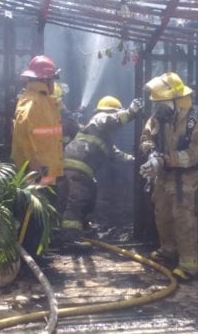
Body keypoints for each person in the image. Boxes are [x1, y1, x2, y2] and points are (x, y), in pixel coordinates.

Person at [139, 72, 198, 281]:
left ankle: (188, 264)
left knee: (183, 217)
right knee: (162, 213)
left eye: (161, 103)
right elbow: (145, 137)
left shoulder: (197, 119)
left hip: (186, 177)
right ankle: (167, 250)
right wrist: (151, 153)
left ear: (176, 100)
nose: (157, 108)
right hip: (164, 177)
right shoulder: (160, 117)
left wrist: (167, 160)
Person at [53, 95, 144, 246]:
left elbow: (114, 154)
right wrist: (131, 112)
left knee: (85, 197)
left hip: (80, 170)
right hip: (77, 168)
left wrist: (133, 160)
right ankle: (70, 237)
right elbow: (110, 120)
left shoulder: (102, 136)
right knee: (77, 201)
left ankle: (79, 230)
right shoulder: (100, 118)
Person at [11, 55, 64, 256]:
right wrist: (34, 165)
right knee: (31, 220)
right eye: (53, 80)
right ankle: (30, 260)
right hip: (37, 175)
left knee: (40, 219)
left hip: (45, 173)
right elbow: (23, 134)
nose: (54, 84)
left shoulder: (42, 100)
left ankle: (38, 256)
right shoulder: (33, 102)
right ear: (45, 80)